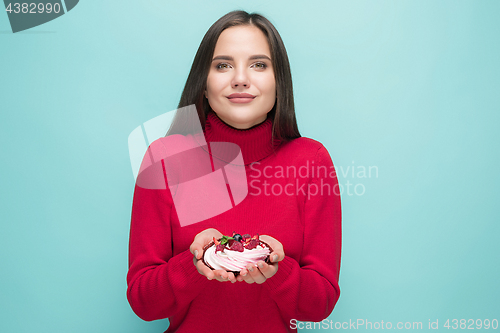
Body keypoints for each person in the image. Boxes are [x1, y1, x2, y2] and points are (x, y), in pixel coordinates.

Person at [127, 10, 342, 333]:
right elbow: (143, 304)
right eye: (223, 65)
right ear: (203, 84)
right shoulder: (164, 158)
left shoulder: (311, 160)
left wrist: (277, 271)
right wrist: (193, 264)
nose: (240, 78)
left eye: (259, 64)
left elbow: (320, 304)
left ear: (279, 82)